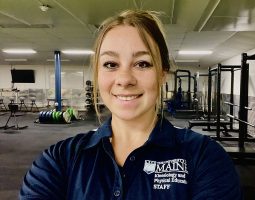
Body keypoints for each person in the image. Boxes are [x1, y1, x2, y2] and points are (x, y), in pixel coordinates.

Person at [20, 10, 242, 199]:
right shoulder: (59, 160)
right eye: (110, 64)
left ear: (162, 75)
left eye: (142, 63)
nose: (124, 79)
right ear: (98, 74)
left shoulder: (205, 158)